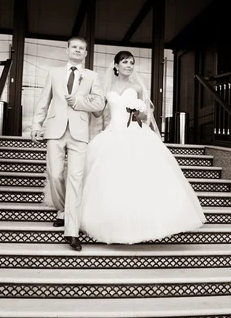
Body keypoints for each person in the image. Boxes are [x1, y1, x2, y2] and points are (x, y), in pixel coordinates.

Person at [79, 51, 206, 244]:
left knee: (141, 177)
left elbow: (146, 116)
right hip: (113, 134)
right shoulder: (106, 87)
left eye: (131, 62)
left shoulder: (137, 87)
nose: (129, 66)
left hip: (135, 133)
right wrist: (84, 101)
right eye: (125, 62)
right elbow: (98, 114)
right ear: (116, 65)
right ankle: (114, 223)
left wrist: (138, 113)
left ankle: (146, 225)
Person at [31, 36, 105, 251]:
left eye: (82, 48)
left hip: (80, 133)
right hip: (55, 130)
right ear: (67, 50)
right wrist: (37, 125)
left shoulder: (92, 76)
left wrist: (80, 102)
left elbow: (100, 103)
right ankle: (62, 210)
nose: (77, 50)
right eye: (74, 47)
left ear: (86, 53)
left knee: (75, 179)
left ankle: (71, 232)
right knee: (55, 175)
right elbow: (44, 101)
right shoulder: (54, 74)